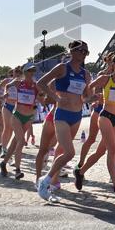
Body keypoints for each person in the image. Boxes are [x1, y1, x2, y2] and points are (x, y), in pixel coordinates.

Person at [36, 41, 92, 201]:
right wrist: (55, 98)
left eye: (86, 52)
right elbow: (41, 83)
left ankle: (52, 182)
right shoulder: (62, 68)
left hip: (77, 115)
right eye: (80, 51)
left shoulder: (85, 74)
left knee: (62, 151)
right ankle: (44, 181)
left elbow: (85, 96)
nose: (83, 54)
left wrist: (91, 98)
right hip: (61, 114)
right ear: (72, 51)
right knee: (70, 152)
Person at [75, 52, 115, 189]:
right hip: (105, 115)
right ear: (114, 65)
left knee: (101, 152)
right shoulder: (105, 79)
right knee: (112, 149)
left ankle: (80, 172)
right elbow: (88, 86)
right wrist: (90, 99)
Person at [0, 64, 40, 179]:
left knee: (14, 143)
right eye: (29, 71)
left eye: (33, 70)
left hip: (28, 117)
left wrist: (41, 100)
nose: (32, 73)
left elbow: (40, 97)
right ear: (25, 72)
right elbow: (7, 85)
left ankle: (3, 163)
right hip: (17, 115)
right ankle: (17, 170)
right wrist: (5, 94)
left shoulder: (35, 85)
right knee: (21, 141)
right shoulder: (18, 83)